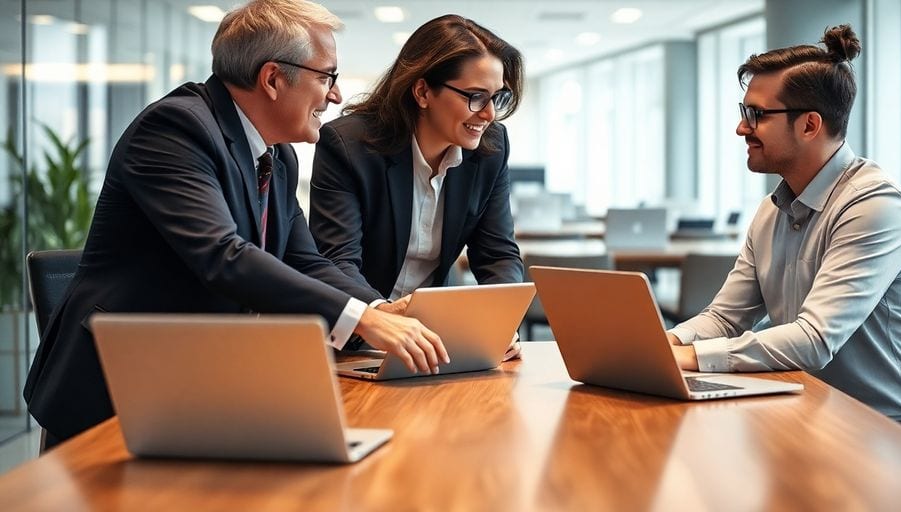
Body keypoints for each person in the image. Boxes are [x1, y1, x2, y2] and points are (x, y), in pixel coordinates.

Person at [23, 0, 448, 449]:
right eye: (326, 77)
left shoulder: (276, 154)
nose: (335, 95)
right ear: (271, 79)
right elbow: (223, 256)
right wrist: (359, 319)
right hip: (116, 392)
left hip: (197, 386)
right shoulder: (175, 128)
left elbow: (304, 260)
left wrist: (378, 312)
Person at [666, 25, 901, 415]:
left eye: (755, 115)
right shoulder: (771, 209)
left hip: (878, 431)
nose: (742, 128)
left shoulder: (874, 205)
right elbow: (725, 318)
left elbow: (813, 340)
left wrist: (691, 358)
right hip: (795, 406)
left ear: (809, 125)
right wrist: (666, 344)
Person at [309, 15, 525, 359]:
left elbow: (498, 253)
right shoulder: (348, 145)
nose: (488, 116)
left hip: (438, 341)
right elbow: (336, 259)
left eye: (496, 98)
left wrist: (500, 318)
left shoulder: (490, 149)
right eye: (475, 97)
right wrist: (379, 316)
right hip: (358, 341)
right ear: (423, 91)